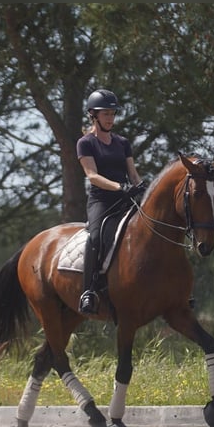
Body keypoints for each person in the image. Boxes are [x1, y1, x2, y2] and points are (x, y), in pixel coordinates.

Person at [76, 89, 144, 314]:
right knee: (95, 237)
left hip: (126, 199)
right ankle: (89, 291)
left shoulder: (122, 142)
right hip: (102, 202)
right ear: (93, 115)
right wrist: (118, 187)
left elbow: (132, 173)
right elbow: (92, 176)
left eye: (113, 114)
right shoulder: (86, 143)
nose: (111, 118)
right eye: (106, 114)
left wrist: (141, 187)